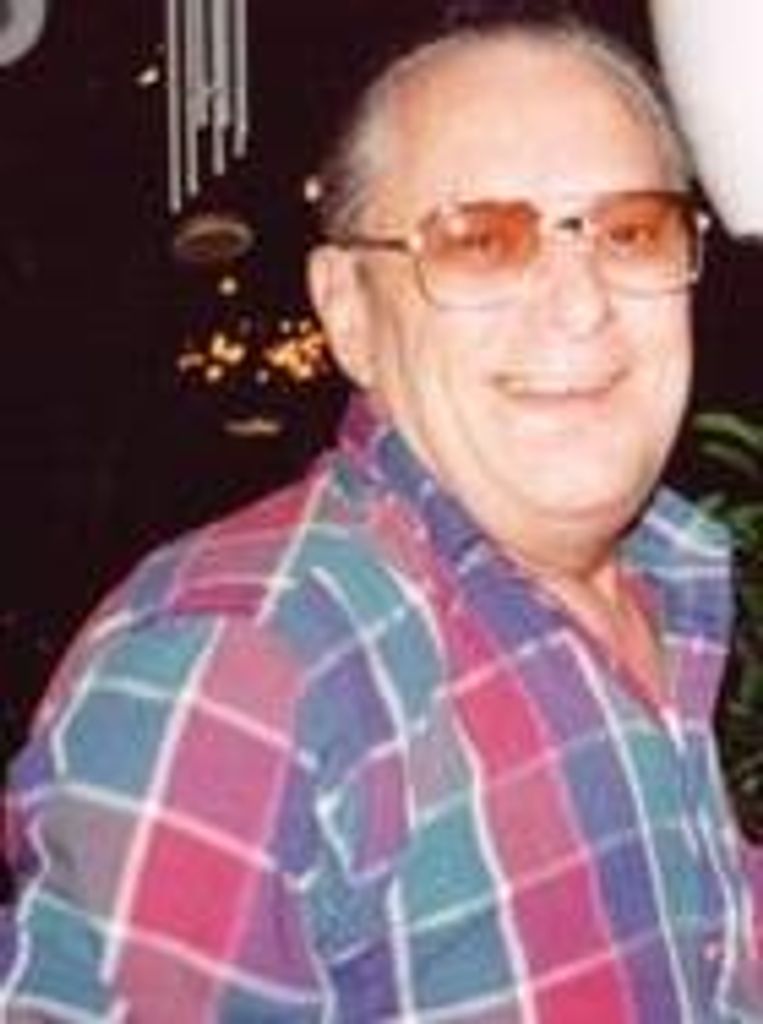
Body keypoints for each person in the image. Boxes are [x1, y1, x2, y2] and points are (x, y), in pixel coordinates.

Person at [2, 11, 762, 1021]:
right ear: (349, 310)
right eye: (481, 242)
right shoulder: (248, 668)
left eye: (630, 232)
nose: (580, 305)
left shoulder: (668, 585)